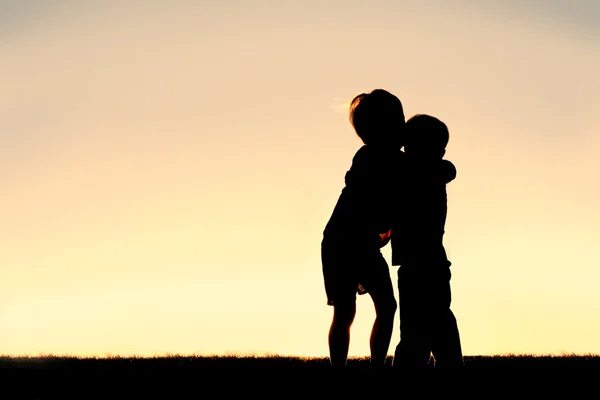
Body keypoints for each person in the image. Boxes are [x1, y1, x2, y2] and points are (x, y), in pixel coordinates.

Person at [321, 89, 404, 367]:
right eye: (397, 120)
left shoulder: (388, 158)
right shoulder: (372, 158)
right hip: (344, 242)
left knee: (385, 306)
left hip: (358, 242)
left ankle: (376, 365)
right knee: (346, 311)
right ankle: (341, 368)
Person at [391, 114, 463, 368]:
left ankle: (413, 366)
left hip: (417, 261)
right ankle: (449, 363)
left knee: (415, 324)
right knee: (438, 318)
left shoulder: (412, 169)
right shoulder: (434, 169)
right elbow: (448, 168)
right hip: (432, 260)